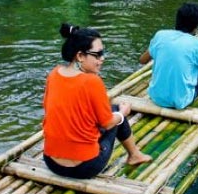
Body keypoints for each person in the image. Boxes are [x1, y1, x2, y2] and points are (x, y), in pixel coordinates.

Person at [43, 23, 152, 179]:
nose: (103, 58)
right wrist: (123, 114)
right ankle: (134, 155)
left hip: (52, 162)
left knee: (108, 113)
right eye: (98, 54)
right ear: (80, 56)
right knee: (116, 112)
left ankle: (134, 154)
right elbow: (107, 123)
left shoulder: (54, 74)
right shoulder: (92, 82)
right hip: (84, 167)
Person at [140, 2, 198, 110]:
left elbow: (142, 60)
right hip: (181, 101)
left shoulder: (160, 35)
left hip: (156, 98)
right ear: (196, 26)